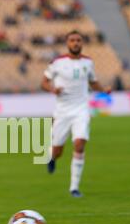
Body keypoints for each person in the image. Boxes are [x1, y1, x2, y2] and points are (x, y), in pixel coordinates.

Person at [41, 30, 111, 198]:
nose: (75, 43)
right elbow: (43, 82)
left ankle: (74, 188)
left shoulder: (88, 62)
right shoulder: (57, 62)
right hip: (62, 111)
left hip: (81, 109)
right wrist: (52, 89)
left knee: (79, 144)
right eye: (72, 40)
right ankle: (52, 157)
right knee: (58, 150)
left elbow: (93, 82)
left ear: (82, 43)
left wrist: (104, 90)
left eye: (78, 40)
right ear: (67, 43)